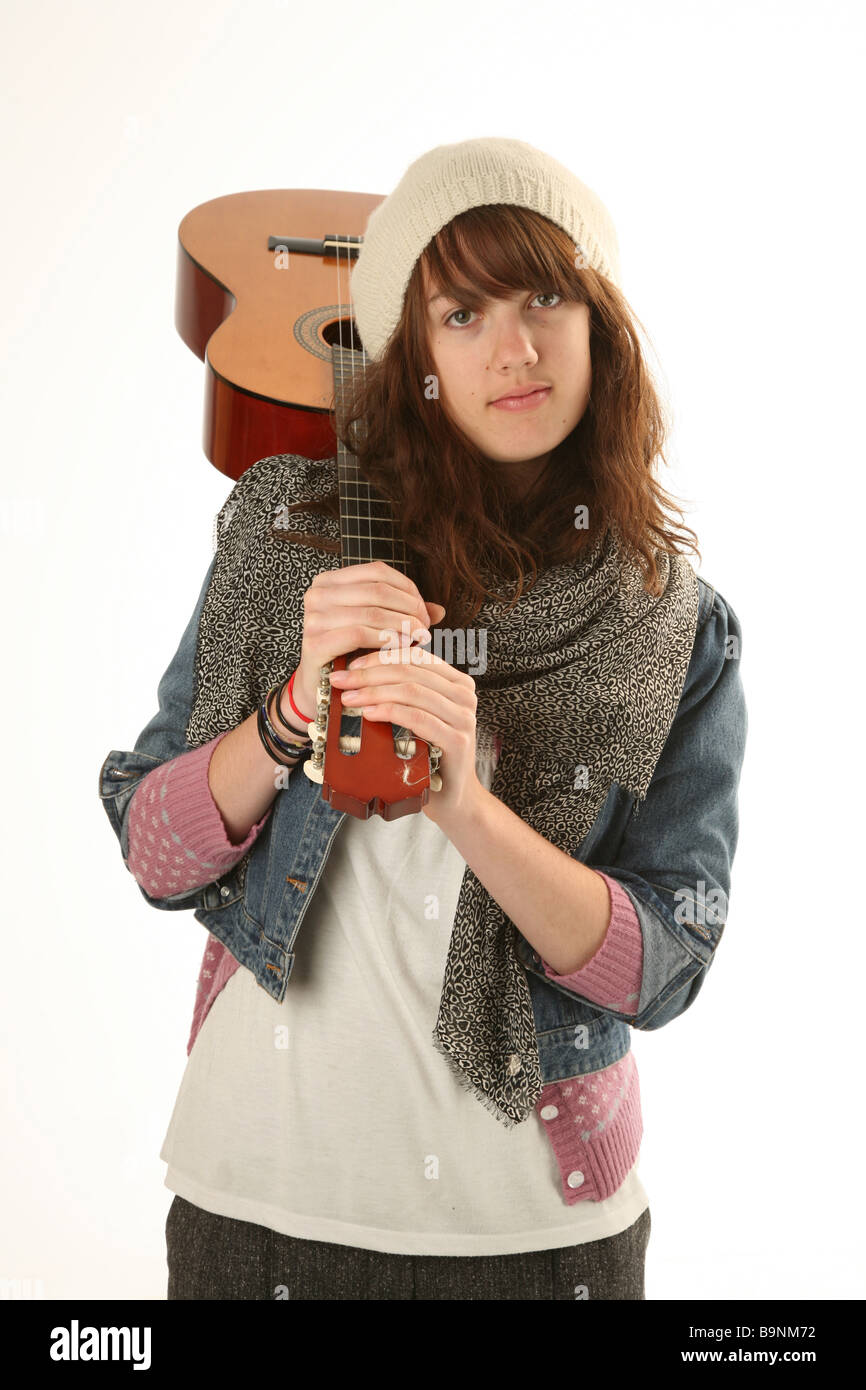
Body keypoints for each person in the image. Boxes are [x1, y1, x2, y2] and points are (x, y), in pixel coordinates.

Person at [98, 136, 748, 1301]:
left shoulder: (671, 625)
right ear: (410, 354)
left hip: (539, 1238)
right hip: (257, 1205)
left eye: (547, 295)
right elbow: (153, 853)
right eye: (461, 313)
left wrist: (464, 805)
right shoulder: (282, 538)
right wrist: (291, 711)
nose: (514, 346)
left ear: (601, 328)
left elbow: (664, 967)